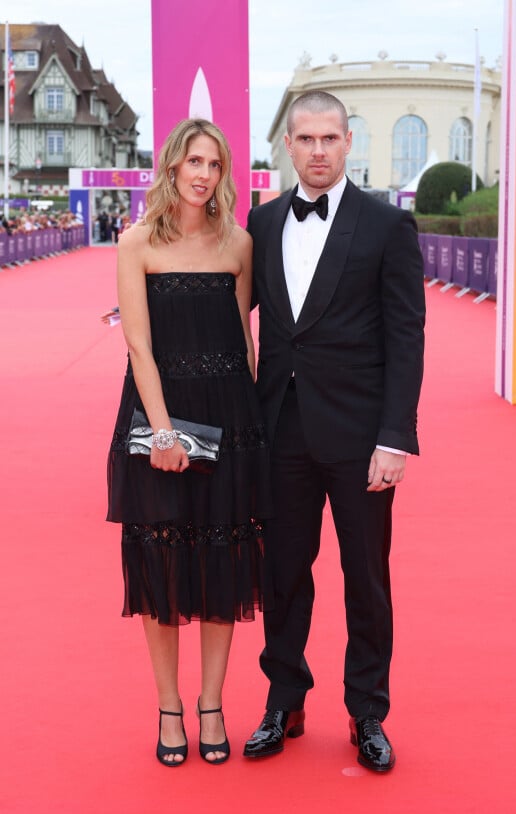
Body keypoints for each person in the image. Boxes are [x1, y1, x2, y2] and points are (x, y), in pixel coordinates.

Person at [243, 91, 425, 772]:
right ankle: (283, 698)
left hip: (359, 438)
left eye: (330, 138)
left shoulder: (385, 226)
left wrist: (395, 437)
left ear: (349, 142)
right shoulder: (260, 225)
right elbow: (228, 313)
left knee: (365, 576)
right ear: (288, 146)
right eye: (306, 139)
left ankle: (367, 710)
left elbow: (407, 337)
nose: (318, 151)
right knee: (283, 572)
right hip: (280, 430)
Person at [106, 118, 270, 768]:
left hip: (230, 417)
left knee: (224, 559)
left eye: (215, 164)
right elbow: (138, 344)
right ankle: (169, 705)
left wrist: (255, 422)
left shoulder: (239, 244)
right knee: (163, 560)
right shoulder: (137, 242)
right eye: (193, 161)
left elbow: (244, 342)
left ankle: (213, 703)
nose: (203, 174)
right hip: (159, 418)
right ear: (172, 166)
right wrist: (165, 430)